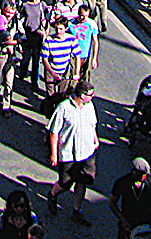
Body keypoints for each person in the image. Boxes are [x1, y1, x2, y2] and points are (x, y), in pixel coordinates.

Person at [46, 80, 99, 225]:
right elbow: (54, 131)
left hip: (87, 152)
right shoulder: (63, 108)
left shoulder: (89, 106)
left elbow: (92, 124)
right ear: (81, 95)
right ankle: (52, 194)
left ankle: (77, 210)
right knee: (66, 183)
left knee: (83, 181)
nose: (92, 97)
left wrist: (95, 139)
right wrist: (54, 154)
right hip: (69, 153)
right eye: (90, 95)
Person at [110, 157, 151, 239]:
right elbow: (112, 203)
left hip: (146, 224)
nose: (141, 177)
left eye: (144, 175)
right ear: (133, 170)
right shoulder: (122, 183)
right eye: (139, 174)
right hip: (128, 222)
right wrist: (123, 220)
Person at [41, 16, 79, 96]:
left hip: (64, 72)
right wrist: (52, 73)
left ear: (66, 28)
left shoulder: (71, 39)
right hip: (51, 70)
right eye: (56, 29)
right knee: (50, 96)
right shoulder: (49, 40)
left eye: (61, 29)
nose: (58, 31)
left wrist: (76, 73)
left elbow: (77, 56)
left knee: (62, 95)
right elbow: (45, 59)